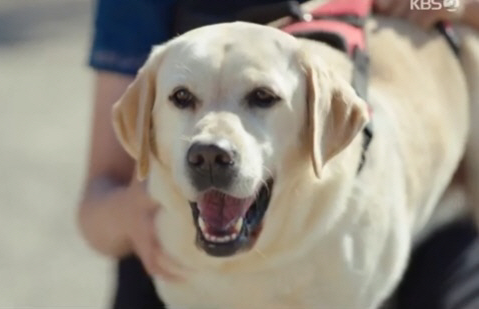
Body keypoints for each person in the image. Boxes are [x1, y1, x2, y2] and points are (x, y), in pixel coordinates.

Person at [79, 0, 479, 308]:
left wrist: (451, 4)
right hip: (174, 243)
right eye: (183, 98)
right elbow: (95, 205)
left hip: (420, 223)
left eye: (262, 97)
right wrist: (132, 215)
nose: (213, 145)